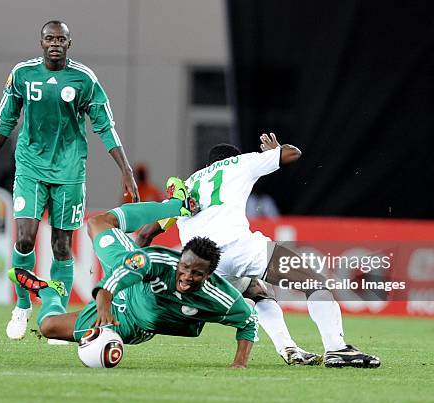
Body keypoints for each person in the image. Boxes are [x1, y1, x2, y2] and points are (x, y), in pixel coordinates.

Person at [137, 133, 380, 368]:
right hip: (239, 246)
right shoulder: (241, 162)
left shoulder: (187, 186)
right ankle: (336, 348)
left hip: (205, 264)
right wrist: (274, 152)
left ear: (208, 164)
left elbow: (147, 233)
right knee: (313, 280)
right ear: (232, 157)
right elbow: (293, 154)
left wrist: (136, 273)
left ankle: (289, 348)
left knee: (257, 291)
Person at [0, 20, 139, 342]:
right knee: (25, 237)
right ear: (41, 42)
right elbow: (4, 122)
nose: (55, 44)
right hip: (31, 166)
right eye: (50, 38)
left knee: (62, 246)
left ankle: (57, 319)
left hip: (69, 171)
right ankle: (22, 305)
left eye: (61, 39)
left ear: (69, 44)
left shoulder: (84, 79)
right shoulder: (22, 75)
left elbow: (105, 126)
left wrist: (126, 169)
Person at [8, 180, 256, 368]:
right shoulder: (158, 260)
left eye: (197, 274)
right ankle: (174, 205)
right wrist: (104, 303)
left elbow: (247, 321)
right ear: (180, 260)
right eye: (185, 267)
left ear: (210, 275)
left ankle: (50, 291)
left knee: (48, 327)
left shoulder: (221, 298)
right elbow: (119, 275)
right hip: (123, 284)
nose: (187, 276)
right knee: (97, 223)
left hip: (130, 323)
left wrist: (239, 364)